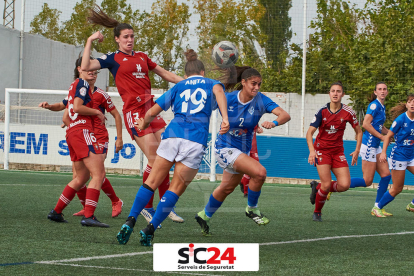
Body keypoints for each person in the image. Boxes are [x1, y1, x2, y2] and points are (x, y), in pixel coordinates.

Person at [81, 4, 184, 225]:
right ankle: (148, 207)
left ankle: (166, 206)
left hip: (152, 110)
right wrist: (90, 41)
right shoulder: (112, 59)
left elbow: (165, 74)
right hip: (134, 113)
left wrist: (189, 82)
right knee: (157, 159)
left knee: (168, 157)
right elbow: (86, 65)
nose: (130, 40)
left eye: (132, 36)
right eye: (126, 37)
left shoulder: (142, 57)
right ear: (117, 39)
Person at [116, 49, 229, 246]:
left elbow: (153, 110)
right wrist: (225, 118)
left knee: (151, 182)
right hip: (194, 141)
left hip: (172, 136)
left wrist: (142, 124)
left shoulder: (180, 86)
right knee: (175, 189)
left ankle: (130, 220)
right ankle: (150, 229)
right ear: (203, 73)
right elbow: (219, 93)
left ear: (185, 75)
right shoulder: (211, 83)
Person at [195, 66, 290, 237]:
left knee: (227, 187)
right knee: (260, 173)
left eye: (259, 84)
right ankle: (252, 209)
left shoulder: (261, 100)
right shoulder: (229, 98)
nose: (257, 88)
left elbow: (285, 115)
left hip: (241, 152)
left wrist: (273, 123)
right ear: (243, 82)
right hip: (224, 148)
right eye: (253, 84)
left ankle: (204, 215)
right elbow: (204, 108)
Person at [39, 61, 124, 218]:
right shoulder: (79, 89)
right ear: (80, 70)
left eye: (95, 71)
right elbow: (65, 110)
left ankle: (114, 201)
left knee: (95, 173)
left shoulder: (101, 94)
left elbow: (117, 115)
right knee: (82, 177)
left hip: (98, 136)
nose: (92, 72)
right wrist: (51, 107)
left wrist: (119, 138)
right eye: (89, 70)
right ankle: (86, 209)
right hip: (83, 135)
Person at [47, 56, 109, 227]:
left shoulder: (74, 86)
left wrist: (49, 106)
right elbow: (76, 107)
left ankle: (56, 212)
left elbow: (64, 105)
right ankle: (89, 216)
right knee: (99, 174)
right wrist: (97, 113)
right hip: (82, 132)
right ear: (79, 69)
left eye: (93, 68)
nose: (92, 70)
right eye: (87, 67)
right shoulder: (81, 85)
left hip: (72, 133)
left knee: (81, 177)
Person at [307, 81, 363, 222]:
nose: (335, 93)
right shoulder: (322, 112)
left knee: (344, 185)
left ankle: (317, 187)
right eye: (333, 91)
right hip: (322, 151)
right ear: (329, 94)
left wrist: (357, 150)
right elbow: (309, 133)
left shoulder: (348, 112)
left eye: (338, 91)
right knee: (327, 185)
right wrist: (312, 151)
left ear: (342, 94)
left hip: (338, 152)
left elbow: (359, 131)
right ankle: (317, 212)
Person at [354, 82, 392, 216]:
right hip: (369, 146)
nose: (382, 91)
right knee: (367, 181)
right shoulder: (374, 105)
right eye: (380, 89)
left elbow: (378, 125)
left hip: (375, 146)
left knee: (386, 175)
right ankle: (334, 184)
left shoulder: (382, 106)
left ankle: (377, 207)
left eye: (384, 89)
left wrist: (390, 134)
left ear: (387, 92)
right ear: (375, 92)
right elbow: (365, 124)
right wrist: (382, 137)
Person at [374, 95, 414, 217]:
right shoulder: (401, 120)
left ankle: (412, 205)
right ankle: (377, 207)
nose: (412, 104)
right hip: (399, 156)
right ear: (406, 105)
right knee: (397, 188)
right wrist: (384, 152)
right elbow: (388, 136)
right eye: (410, 102)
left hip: (411, 156)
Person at [239, 126, 263, 197]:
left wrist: (258, 129)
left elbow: (256, 128)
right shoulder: (242, 118)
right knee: (251, 170)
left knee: (256, 170)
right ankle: (246, 192)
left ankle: (243, 181)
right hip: (246, 147)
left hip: (254, 148)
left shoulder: (255, 116)